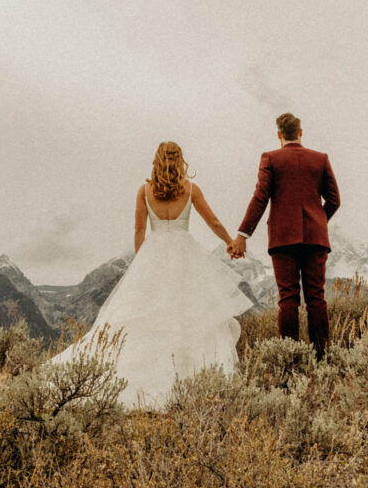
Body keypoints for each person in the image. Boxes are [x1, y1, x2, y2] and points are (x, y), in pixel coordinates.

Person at [51, 141, 254, 409]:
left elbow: (139, 231)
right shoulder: (191, 189)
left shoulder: (144, 191)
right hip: (184, 255)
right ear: (180, 160)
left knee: (145, 317)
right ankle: (193, 377)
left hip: (154, 253)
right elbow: (212, 222)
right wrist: (230, 241)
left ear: (156, 161)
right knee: (189, 313)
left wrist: (141, 263)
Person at [228, 113, 340, 360]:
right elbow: (334, 200)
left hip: (283, 239)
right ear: (301, 132)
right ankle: (322, 358)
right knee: (316, 298)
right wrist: (318, 221)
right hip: (316, 239)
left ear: (279, 134)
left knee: (288, 298)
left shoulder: (270, 159)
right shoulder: (320, 159)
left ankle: (290, 360)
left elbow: (260, 197)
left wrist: (243, 234)